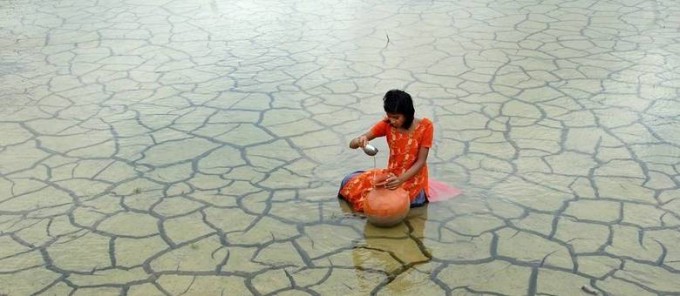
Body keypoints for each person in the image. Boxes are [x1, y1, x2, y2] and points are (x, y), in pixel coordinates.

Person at [338, 89, 433, 212]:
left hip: (412, 180)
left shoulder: (425, 127)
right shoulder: (387, 124)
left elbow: (421, 162)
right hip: (391, 176)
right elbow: (352, 144)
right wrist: (360, 141)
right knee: (348, 180)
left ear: (408, 114)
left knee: (399, 204)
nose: (392, 120)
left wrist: (400, 180)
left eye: (396, 117)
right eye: (389, 116)